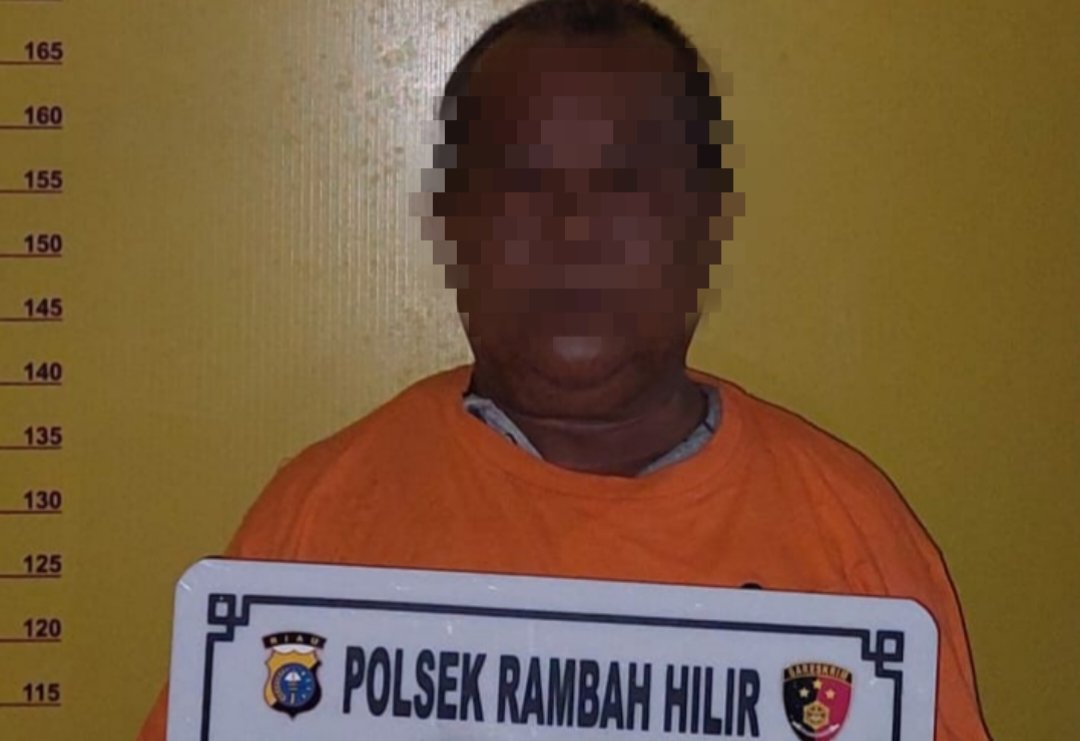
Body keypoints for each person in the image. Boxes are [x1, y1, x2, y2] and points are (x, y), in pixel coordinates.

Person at [137, 0, 992, 738]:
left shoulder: (850, 541)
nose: (574, 230)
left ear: (706, 223)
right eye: (522, 182)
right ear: (451, 224)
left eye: (627, 182)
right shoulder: (320, 524)